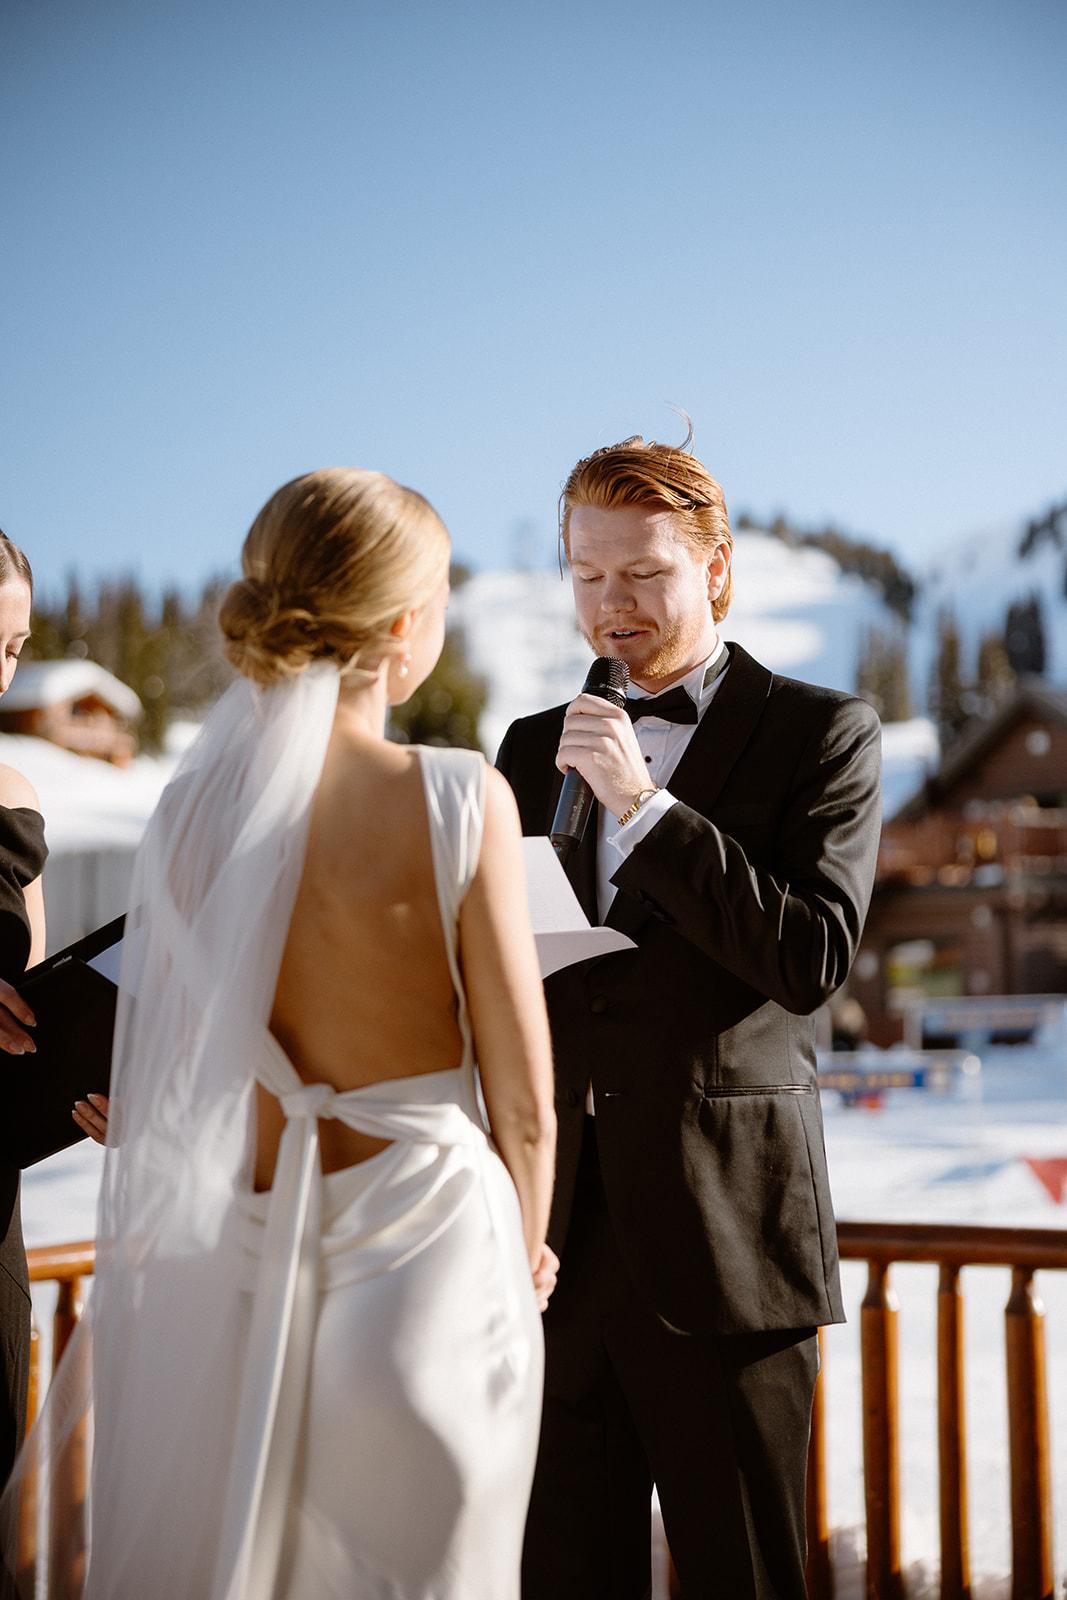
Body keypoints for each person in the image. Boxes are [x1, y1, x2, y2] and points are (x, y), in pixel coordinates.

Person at [6, 470, 557, 1600]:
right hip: (433, 1274)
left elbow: (173, 1065)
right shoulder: (458, 797)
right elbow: (526, 1107)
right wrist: (528, 1246)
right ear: (405, 625)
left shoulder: (187, 821)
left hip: (248, 1278)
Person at [496, 433, 882, 1599]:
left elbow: (809, 955)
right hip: (555, 1251)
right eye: (585, 575)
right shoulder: (523, 749)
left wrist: (646, 807)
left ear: (715, 568)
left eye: (642, 575)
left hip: (727, 1248)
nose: (609, 607)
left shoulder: (823, 731)